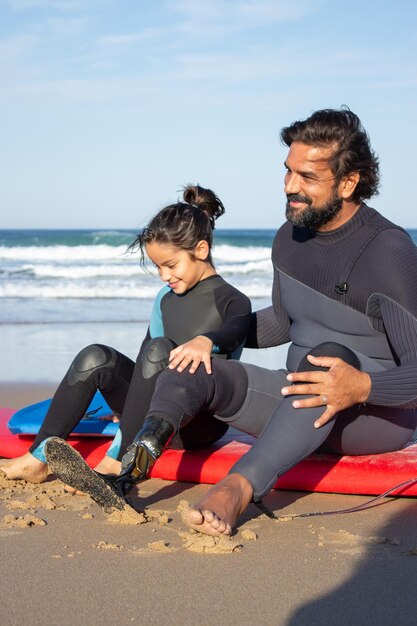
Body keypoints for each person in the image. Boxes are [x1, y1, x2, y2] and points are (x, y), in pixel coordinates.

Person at [44, 107, 417, 534]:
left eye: (307, 177)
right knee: (193, 367)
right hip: (295, 397)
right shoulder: (289, 237)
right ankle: (133, 462)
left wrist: (362, 385)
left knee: (324, 358)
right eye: (288, 172)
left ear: (349, 182)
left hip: (371, 416)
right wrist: (206, 339)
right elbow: (281, 321)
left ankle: (238, 487)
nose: (290, 187)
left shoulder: (388, 251)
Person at [0, 184, 251, 484]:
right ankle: (38, 458)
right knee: (95, 356)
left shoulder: (232, 299)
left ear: (201, 250)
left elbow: (236, 330)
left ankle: (117, 460)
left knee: (159, 348)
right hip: (149, 416)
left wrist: (206, 340)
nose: (164, 275)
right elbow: (146, 361)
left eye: (171, 265)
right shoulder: (164, 298)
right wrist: (129, 408)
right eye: (158, 267)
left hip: (198, 423)